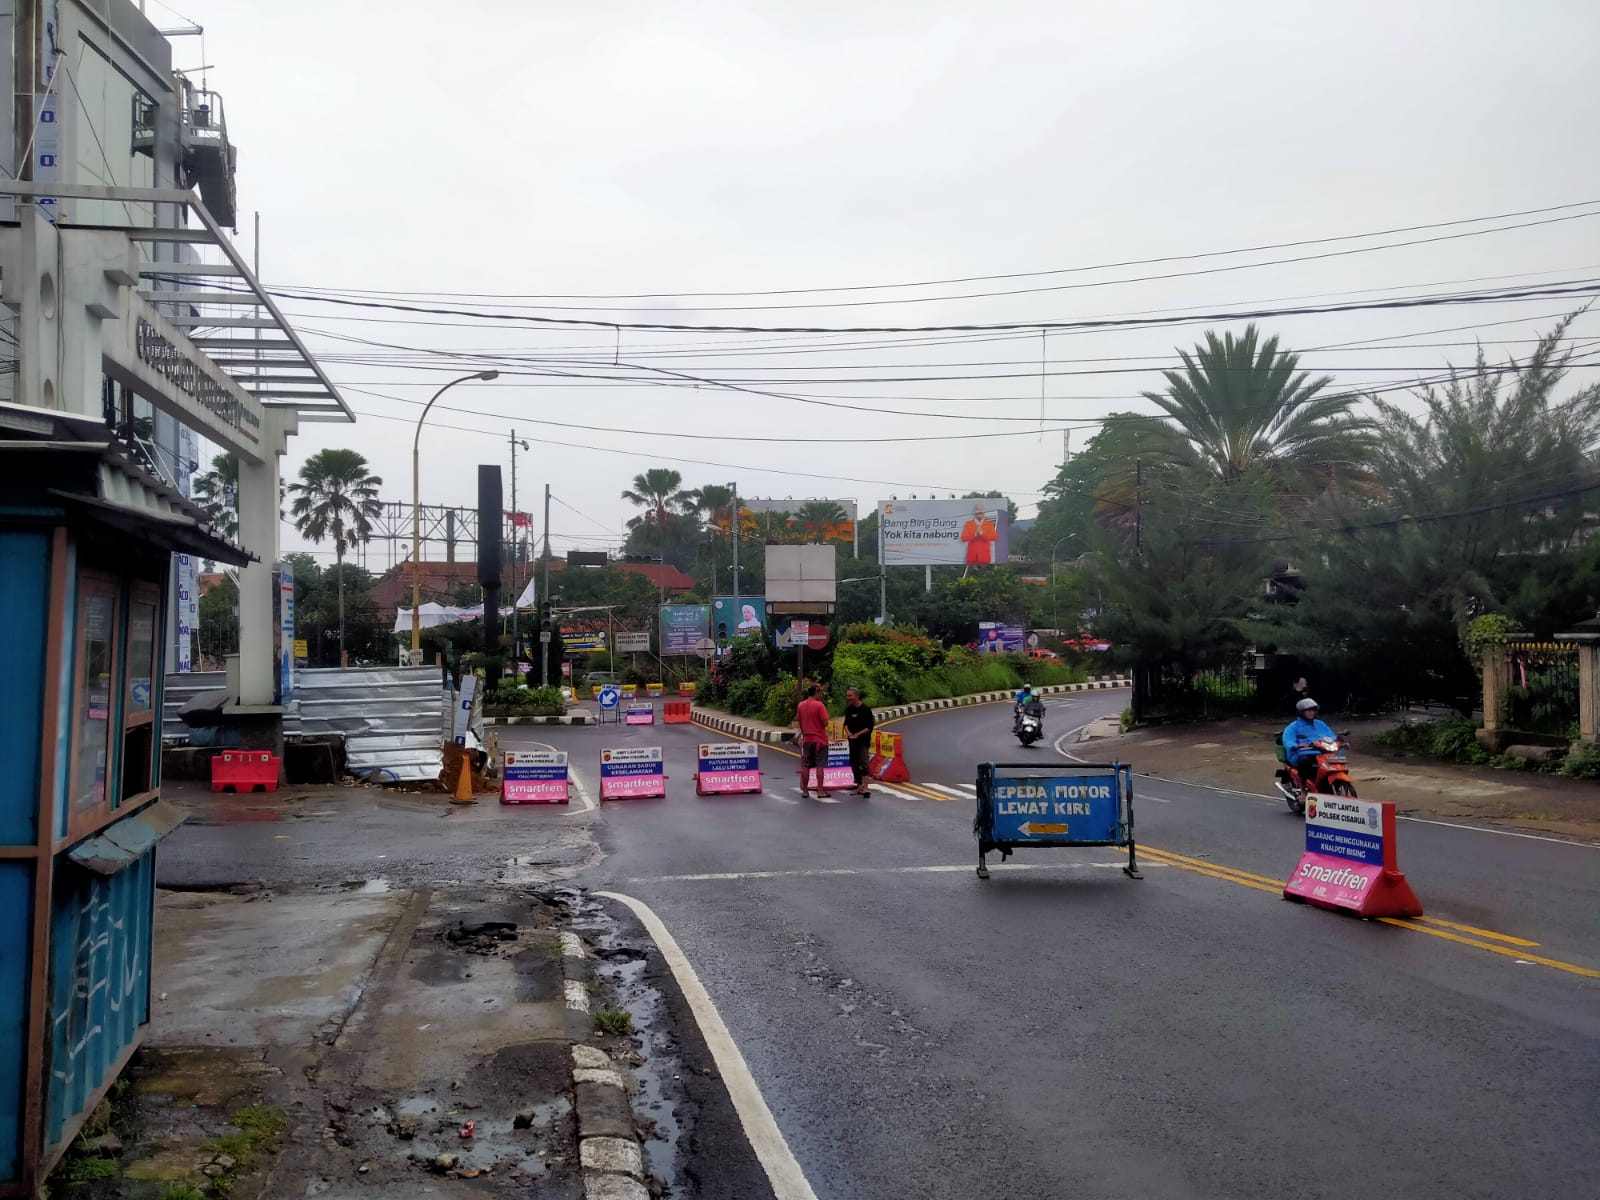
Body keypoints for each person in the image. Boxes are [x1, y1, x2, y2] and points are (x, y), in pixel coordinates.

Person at [1282, 697, 1336, 779]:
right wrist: (1296, 745)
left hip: (1321, 752)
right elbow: (1288, 740)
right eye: (1308, 711)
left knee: (1337, 759)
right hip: (1301, 753)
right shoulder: (1293, 726)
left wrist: (1337, 740)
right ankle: (1303, 787)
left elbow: (1331, 736)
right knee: (1305, 761)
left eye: (1313, 711)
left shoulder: (1320, 724)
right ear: (1301, 713)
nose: (1311, 713)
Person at [796, 682, 832, 798]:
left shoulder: (801, 705)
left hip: (807, 739)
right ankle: (820, 791)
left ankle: (805, 791)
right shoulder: (819, 705)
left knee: (806, 765)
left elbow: (800, 722)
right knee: (820, 765)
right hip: (819, 739)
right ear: (817, 693)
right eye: (820, 692)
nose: (821, 694)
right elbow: (825, 723)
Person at [842, 687, 876, 796]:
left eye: (850, 695)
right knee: (854, 762)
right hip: (852, 741)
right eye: (847, 695)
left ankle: (866, 787)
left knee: (863, 762)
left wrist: (858, 734)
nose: (848, 698)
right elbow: (846, 724)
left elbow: (869, 727)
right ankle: (859, 784)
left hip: (863, 740)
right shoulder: (849, 709)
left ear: (857, 696)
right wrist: (849, 734)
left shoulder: (865, 709)